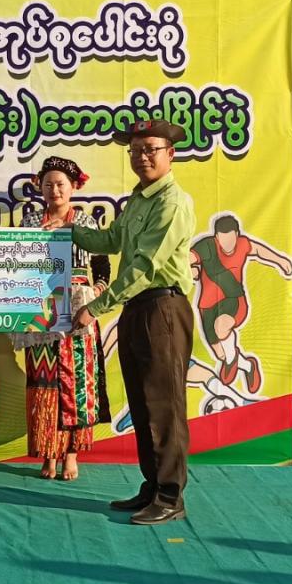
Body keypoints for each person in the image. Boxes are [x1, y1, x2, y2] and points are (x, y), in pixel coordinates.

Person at [55, 119, 196, 526]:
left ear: (170, 154)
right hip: (138, 307)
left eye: (151, 149)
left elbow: (145, 268)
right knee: (142, 402)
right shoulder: (137, 199)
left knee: (164, 406)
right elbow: (111, 240)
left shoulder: (172, 202)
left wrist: (96, 307)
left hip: (162, 307)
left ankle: (170, 495)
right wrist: (69, 231)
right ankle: (152, 487)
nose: (142, 157)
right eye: (136, 150)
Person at [16, 156, 109, 480]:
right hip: (41, 308)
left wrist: (96, 293)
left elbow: (102, 265)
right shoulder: (29, 222)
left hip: (78, 308)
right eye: (48, 184)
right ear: (40, 188)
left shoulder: (85, 222)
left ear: (73, 187)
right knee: (44, 382)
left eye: (60, 184)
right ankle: (48, 454)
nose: (54, 190)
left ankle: (70, 454)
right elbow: (18, 264)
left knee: (77, 383)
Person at [190, 214, 292, 394]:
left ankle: (232, 361)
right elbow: (187, 258)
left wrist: (280, 260)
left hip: (234, 300)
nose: (227, 245)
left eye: (231, 240)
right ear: (217, 237)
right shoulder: (206, 246)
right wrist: (190, 270)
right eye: (223, 241)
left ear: (237, 235)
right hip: (206, 306)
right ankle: (248, 366)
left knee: (221, 326)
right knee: (220, 353)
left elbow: (259, 250)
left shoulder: (243, 244)